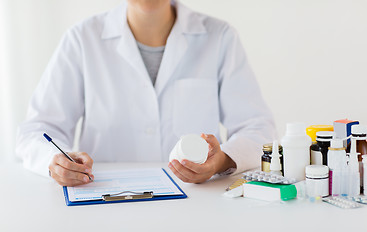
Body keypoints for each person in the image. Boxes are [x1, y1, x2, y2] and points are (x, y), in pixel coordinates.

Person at [16, 0, 276, 187]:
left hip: (196, 206)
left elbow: (258, 129)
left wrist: (221, 161)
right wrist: (56, 161)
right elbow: (36, 131)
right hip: (105, 204)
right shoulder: (81, 39)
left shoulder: (220, 37)